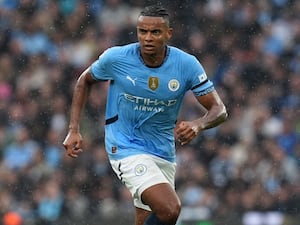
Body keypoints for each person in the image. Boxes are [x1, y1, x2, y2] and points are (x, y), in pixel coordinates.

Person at [63, 5, 227, 225]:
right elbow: (84, 80)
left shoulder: (186, 65)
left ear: (169, 34)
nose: (147, 38)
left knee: (157, 219)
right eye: (143, 31)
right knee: (170, 208)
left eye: (155, 32)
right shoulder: (117, 58)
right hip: (124, 145)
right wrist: (74, 129)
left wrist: (198, 125)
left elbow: (219, 109)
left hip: (162, 149)